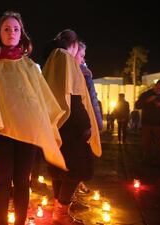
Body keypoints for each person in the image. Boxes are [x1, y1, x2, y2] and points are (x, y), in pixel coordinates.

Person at [0, 11, 66, 225]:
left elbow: (40, 101)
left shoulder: (31, 67)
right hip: (1, 133)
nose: (11, 33)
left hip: (27, 133)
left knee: (23, 182)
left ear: (21, 34)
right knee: (3, 180)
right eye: (7, 29)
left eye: (16, 29)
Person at [42, 29, 101, 225]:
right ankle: (61, 215)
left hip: (56, 123)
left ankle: (59, 212)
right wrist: (86, 124)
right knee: (75, 170)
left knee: (60, 170)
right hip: (71, 127)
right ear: (73, 45)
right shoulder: (64, 58)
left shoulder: (52, 58)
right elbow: (73, 97)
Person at [74, 41, 104, 196]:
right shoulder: (80, 74)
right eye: (82, 55)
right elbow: (91, 100)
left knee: (80, 160)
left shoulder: (84, 73)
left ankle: (75, 190)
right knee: (79, 160)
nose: (84, 59)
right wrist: (97, 122)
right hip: (82, 122)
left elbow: (93, 98)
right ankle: (70, 197)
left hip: (84, 121)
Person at [135, 79, 160, 165]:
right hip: (147, 124)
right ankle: (146, 160)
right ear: (155, 86)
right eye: (158, 88)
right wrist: (147, 100)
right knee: (146, 143)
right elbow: (137, 105)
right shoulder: (146, 94)